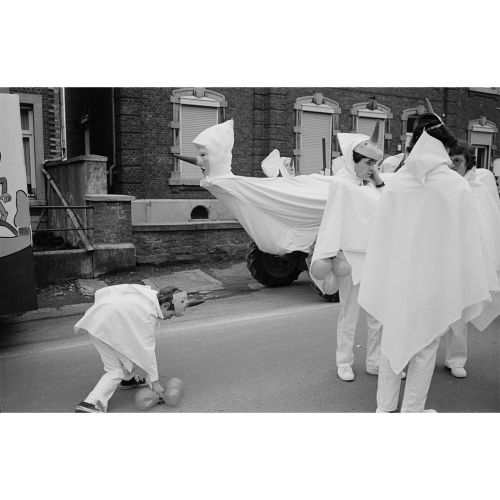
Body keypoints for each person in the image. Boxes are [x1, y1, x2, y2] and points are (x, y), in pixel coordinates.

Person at [358, 113, 500, 412]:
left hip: (399, 278)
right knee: (425, 346)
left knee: (392, 340)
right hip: (435, 281)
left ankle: (384, 408)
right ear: (443, 146)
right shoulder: (454, 186)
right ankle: (412, 411)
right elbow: (465, 241)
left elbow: (383, 237)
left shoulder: (397, 184)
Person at [311, 122, 390, 382]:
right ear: (352, 160)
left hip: (375, 257)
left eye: (375, 163)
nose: (372, 168)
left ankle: (375, 361)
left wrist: (378, 181)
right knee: (349, 314)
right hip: (351, 259)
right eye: (368, 163)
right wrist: (331, 255)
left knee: (377, 315)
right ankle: (343, 361)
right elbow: (332, 222)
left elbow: (390, 210)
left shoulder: (373, 185)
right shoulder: (342, 185)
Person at [74, 284, 190, 413]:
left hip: (105, 319)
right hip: (103, 327)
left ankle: (128, 380)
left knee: (130, 351)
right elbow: (147, 352)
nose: (169, 318)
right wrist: (155, 384)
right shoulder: (147, 317)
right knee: (115, 370)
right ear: (165, 306)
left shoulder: (151, 295)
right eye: (172, 314)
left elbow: (117, 289)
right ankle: (91, 403)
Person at [443, 139, 500, 378]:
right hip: (439, 256)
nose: (452, 167)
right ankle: (416, 358)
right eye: (449, 162)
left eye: (457, 161)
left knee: (460, 310)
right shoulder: (440, 185)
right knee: (427, 310)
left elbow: (486, 225)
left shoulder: (477, 188)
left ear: (468, 164)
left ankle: (456, 359)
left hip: (465, 259)